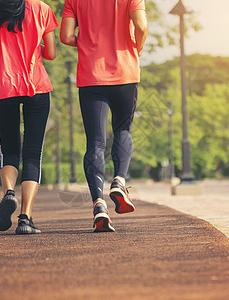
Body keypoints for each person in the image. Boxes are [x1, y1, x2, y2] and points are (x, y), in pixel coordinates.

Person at [60, 0, 148, 232]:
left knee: (95, 142)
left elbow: (66, 36)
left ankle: (98, 204)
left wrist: (89, 42)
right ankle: (119, 180)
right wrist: (136, 48)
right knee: (123, 130)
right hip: (125, 73)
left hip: (91, 76)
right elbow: (141, 25)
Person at [0, 0, 58, 234]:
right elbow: (50, 53)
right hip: (36, 86)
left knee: (9, 150)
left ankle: (9, 192)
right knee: (33, 154)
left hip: (3, 86)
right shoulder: (43, 9)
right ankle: (25, 219)